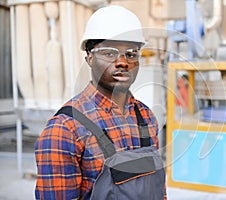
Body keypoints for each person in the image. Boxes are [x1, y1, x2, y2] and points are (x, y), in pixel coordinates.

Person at [35, 5, 166, 200]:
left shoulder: (147, 117)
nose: (122, 62)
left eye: (131, 53)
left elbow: (157, 191)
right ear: (89, 57)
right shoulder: (65, 129)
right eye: (109, 53)